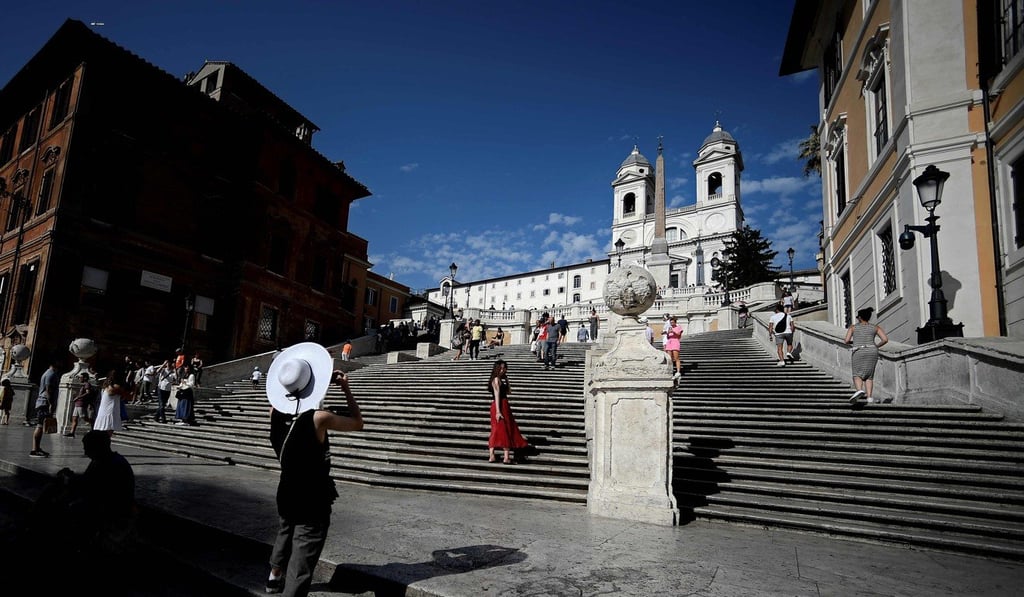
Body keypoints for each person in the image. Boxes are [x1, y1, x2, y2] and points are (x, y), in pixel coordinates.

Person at [264, 342, 363, 596]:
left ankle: (273, 576)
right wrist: (346, 388)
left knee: (285, 530)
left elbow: (294, 407)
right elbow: (357, 423)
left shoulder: (273, 411)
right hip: (312, 496)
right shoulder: (319, 419)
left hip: (286, 489)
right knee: (302, 557)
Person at [487, 360, 530, 465]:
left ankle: (493, 455)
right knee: (501, 429)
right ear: (496, 368)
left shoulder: (502, 379)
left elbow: (509, 392)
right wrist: (498, 411)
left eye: (504, 368)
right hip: (499, 405)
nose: (503, 370)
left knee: (500, 429)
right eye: (501, 368)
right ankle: (504, 457)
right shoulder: (496, 380)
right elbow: (497, 395)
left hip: (504, 405)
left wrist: (507, 380)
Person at [845, 307, 889, 404]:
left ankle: (859, 390)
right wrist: (876, 346)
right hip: (872, 351)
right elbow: (885, 339)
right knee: (869, 376)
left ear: (860, 318)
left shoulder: (853, 327)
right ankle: (869, 397)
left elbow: (846, 340)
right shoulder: (875, 327)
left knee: (857, 374)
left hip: (859, 351)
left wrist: (854, 341)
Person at [30, 358, 60, 457]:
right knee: (40, 426)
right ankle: (35, 449)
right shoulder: (50, 374)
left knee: (40, 425)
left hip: (42, 403)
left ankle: (37, 448)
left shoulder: (48, 373)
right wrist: (51, 404)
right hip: (44, 403)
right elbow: (48, 390)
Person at [93, 369, 128, 436]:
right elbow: (124, 395)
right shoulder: (115, 387)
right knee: (108, 432)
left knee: (102, 431)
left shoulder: (106, 386)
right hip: (110, 411)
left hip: (103, 411)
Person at [63, 372, 95, 438]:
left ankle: (93, 425)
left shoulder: (87, 384)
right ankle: (72, 432)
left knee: (83, 417)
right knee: (74, 418)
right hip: (78, 403)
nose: (80, 378)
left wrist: (78, 397)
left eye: (81, 377)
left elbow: (87, 392)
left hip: (81, 403)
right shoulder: (83, 385)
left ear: (85, 378)